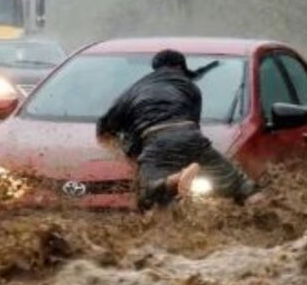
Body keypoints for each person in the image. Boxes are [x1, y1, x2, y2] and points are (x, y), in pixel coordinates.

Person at [96, 49, 261, 211]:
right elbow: (194, 126)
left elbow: (104, 128)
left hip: (156, 140)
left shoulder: (133, 90)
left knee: (147, 196)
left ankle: (173, 180)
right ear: (181, 67)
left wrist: (123, 149)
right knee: (242, 185)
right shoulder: (190, 87)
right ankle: (266, 215)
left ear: (156, 68)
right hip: (191, 137)